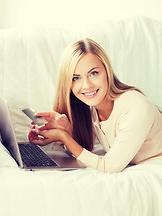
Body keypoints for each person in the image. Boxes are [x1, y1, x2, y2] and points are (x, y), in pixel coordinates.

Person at [28, 38, 162, 173]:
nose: (87, 86)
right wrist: (66, 130)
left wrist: (63, 137)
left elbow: (109, 167)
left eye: (93, 73)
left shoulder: (136, 108)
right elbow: (86, 152)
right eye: (76, 78)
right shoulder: (92, 107)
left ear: (107, 70)